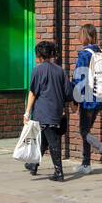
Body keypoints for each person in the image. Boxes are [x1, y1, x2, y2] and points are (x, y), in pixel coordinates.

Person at [72, 24, 102, 174]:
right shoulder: (100, 51)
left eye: (80, 34)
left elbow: (80, 78)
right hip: (100, 96)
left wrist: (74, 99)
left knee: (84, 131)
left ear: (84, 36)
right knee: (87, 129)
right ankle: (86, 164)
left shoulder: (85, 54)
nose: (78, 37)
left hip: (88, 98)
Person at [24, 40, 70, 180]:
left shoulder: (37, 70)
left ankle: (59, 173)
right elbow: (67, 92)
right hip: (56, 111)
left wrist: (27, 112)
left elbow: (33, 93)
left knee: (53, 141)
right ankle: (34, 165)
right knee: (43, 139)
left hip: (43, 112)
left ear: (39, 55)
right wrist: (69, 107)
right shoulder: (60, 71)